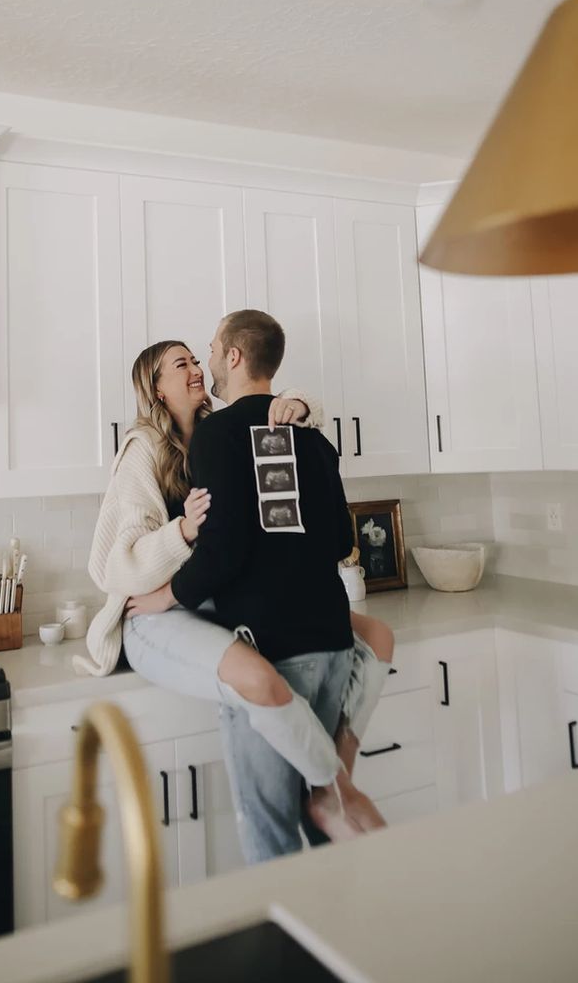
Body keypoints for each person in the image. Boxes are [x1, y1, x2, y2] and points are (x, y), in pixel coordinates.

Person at [119, 311, 394, 858]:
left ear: (234, 356)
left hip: (271, 651)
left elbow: (223, 553)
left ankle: (289, 940)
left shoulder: (217, 435)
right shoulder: (312, 438)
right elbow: (342, 539)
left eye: (210, 350)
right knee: (325, 827)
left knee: (270, 831)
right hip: (332, 646)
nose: (205, 362)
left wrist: (163, 597)